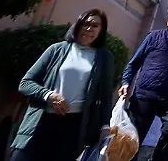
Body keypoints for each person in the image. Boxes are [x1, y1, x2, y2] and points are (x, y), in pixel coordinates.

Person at [10, 9, 116, 161]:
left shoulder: (104, 58)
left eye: (95, 25)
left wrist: (105, 126)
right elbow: (25, 83)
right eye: (85, 24)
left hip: (73, 128)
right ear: (77, 25)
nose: (88, 29)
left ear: (101, 30)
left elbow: (105, 96)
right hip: (41, 122)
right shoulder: (56, 49)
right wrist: (49, 95)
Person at [121, 6, 168, 161]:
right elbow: (134, 63)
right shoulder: (153, 37)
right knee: (135, 136)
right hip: (146, 93)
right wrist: (126, 82)